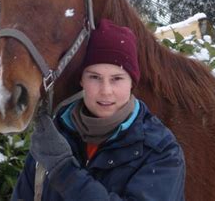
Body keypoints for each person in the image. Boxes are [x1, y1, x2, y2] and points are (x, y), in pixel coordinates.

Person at [11, 19, 186, 200]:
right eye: (95, 77)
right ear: (82, 80)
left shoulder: (161, 151)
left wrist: (64, 171)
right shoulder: (55, 136)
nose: (105, 91)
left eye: (117, 78)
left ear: (132, 82)